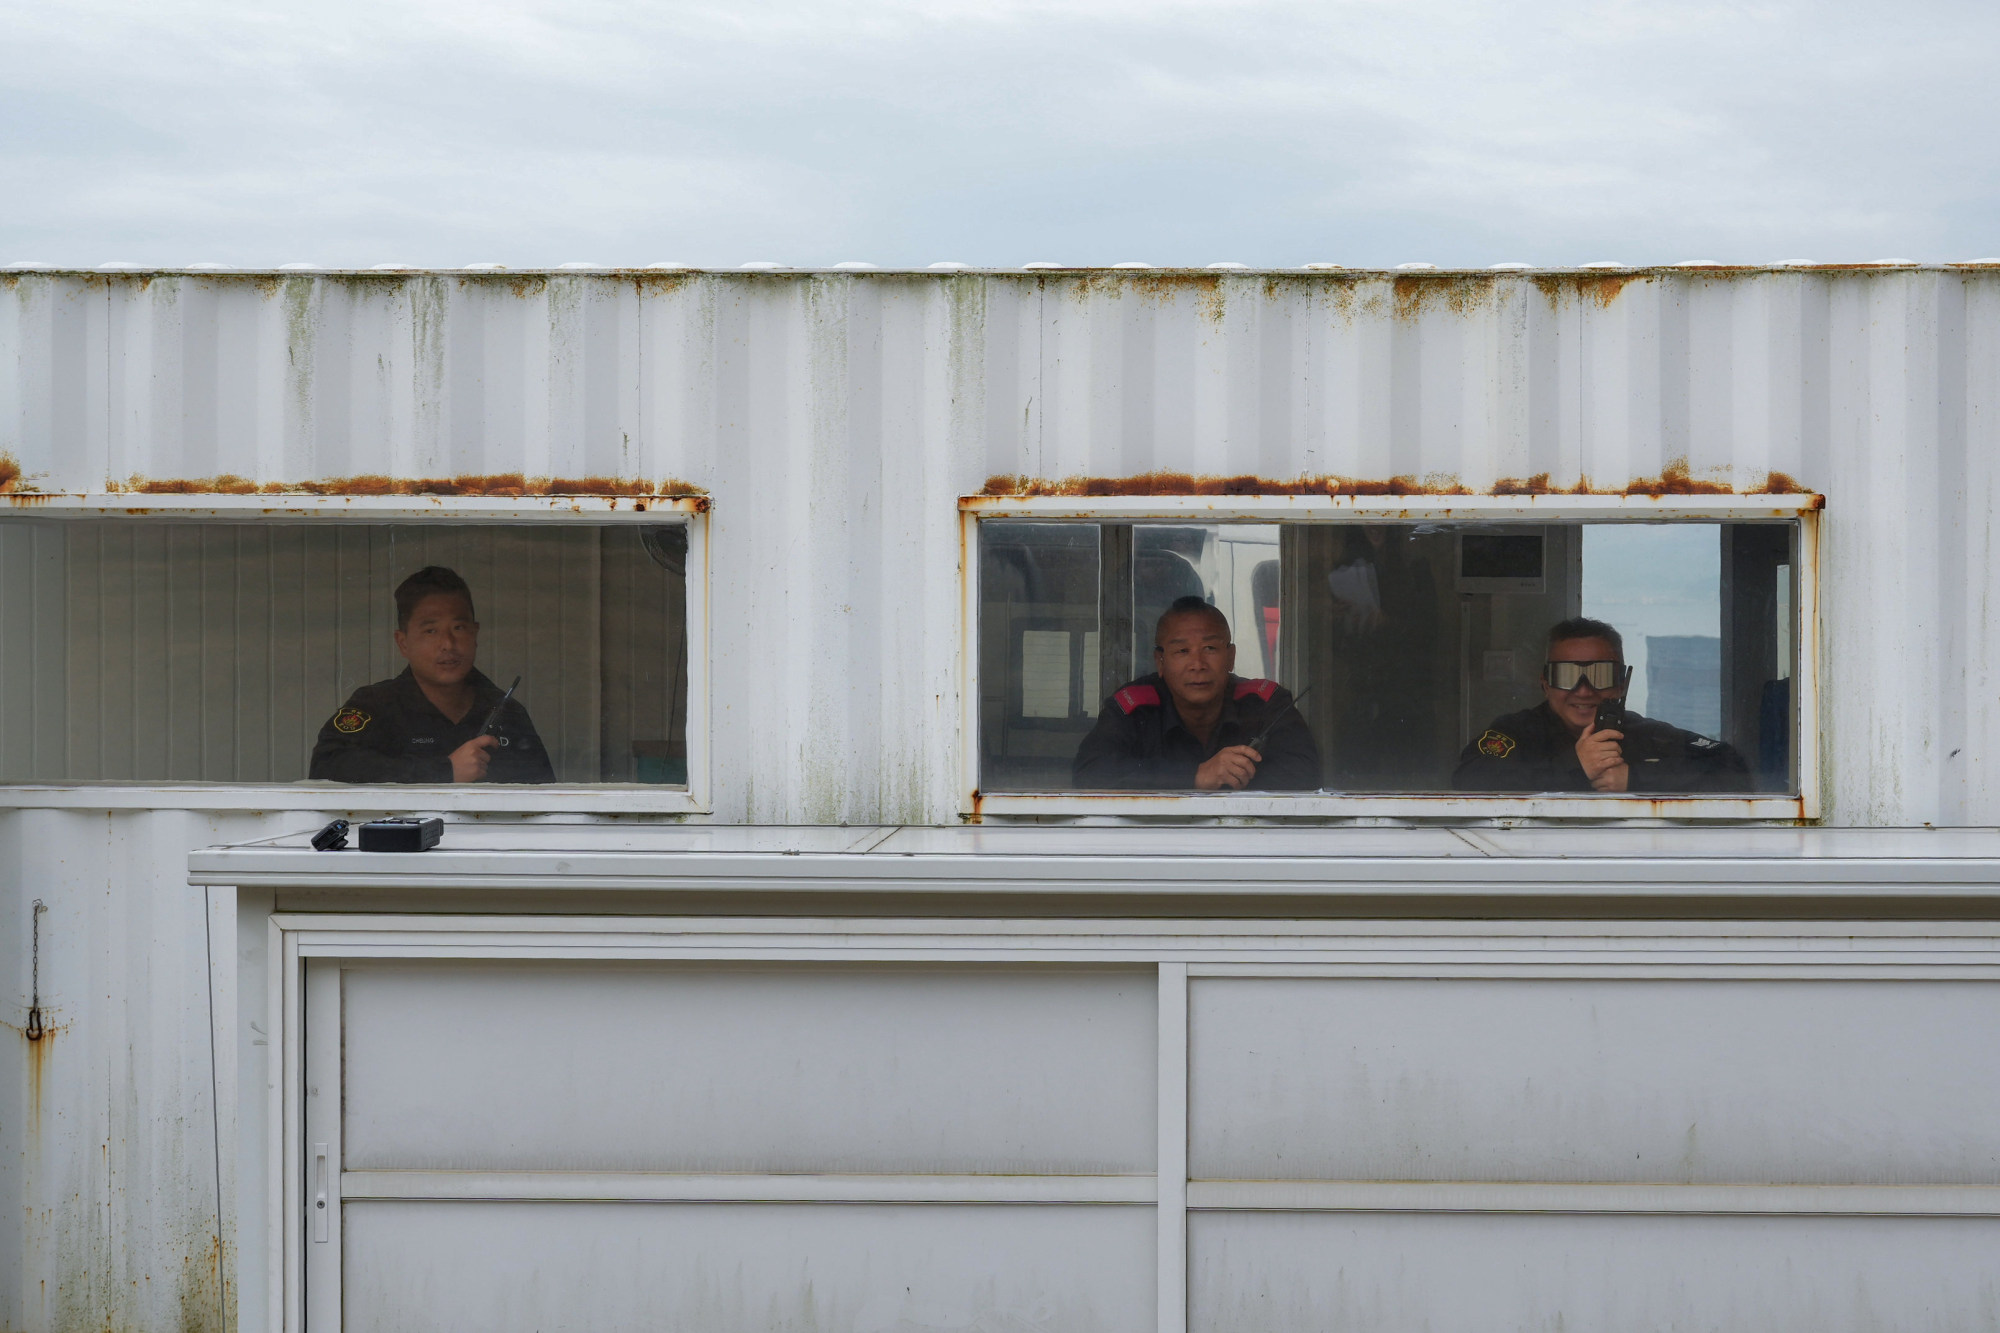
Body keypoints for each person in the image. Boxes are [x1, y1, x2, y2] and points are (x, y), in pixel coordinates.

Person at [309, 566, 555, 784]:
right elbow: (325, 768)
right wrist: (444, 771)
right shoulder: (376, 705)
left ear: (475, 634)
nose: (448, 643)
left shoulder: (508, 713)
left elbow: (545, 797)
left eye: (459, 627)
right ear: (403, 642)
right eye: (431, 631)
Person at [1452, 616, 1748, 793]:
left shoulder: (1647, 736)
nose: (1584, 690)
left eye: (1600, 674)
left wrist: (1635, 779)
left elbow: (1733, 772)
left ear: (1621, 683)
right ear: (1545, 683)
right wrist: (1575, 766)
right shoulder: (1517, 733)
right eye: (1566, 675)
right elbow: (1469, 781)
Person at [1073, 596, 1321, 791]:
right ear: (1160, 661)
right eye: (1182, 651)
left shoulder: (1265, 703)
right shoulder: (1137, 708)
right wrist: (1196, 775)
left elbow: (1305, 773)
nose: (1198, 664)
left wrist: (1227, 778)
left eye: (1210, 648)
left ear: (1231, 657)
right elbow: (1090, 772)